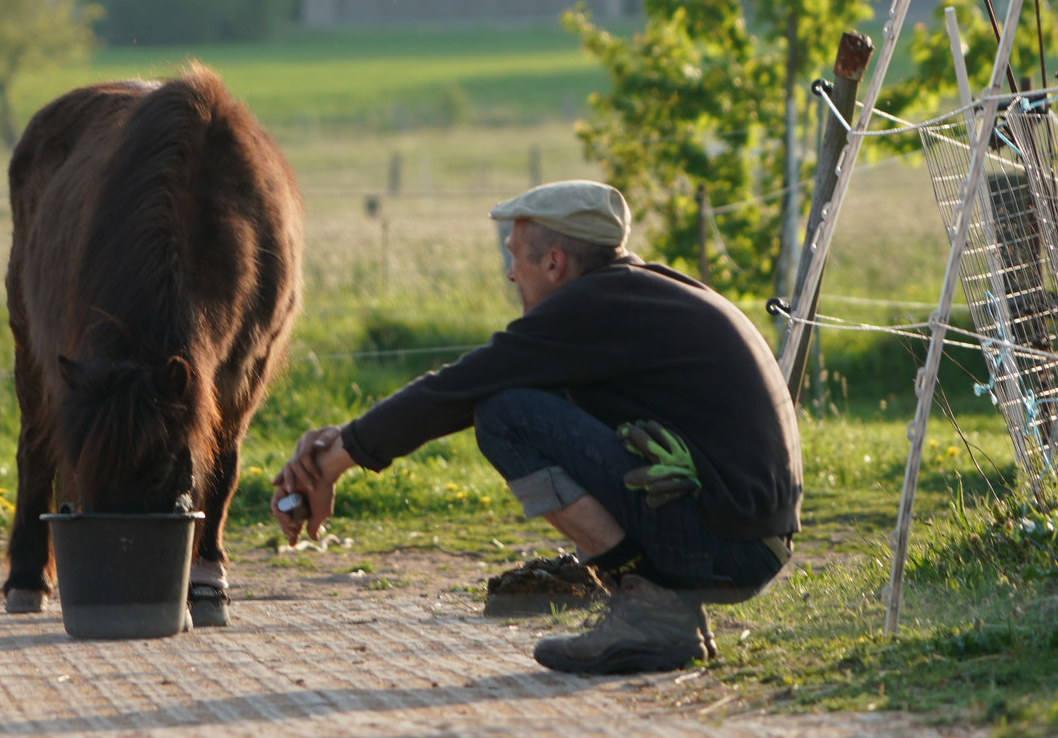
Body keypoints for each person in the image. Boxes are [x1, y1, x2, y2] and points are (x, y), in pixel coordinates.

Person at [271, 180, 801, 675]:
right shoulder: (633, 295)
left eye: (514, 257)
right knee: (520, 402)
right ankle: (660, 612)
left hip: (729, 544)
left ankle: (650, 612)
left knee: (507, 417)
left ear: (554, 262)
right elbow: (464, 390)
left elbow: (461, 388)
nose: (508, 274)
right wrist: (342, 448)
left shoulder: (595, 306)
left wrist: (332, 461)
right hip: (745, 538)